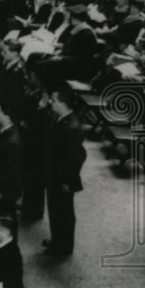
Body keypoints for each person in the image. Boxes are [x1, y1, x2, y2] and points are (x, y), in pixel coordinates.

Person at [43, 88, 86, 256]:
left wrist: (66, 182)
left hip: (62, 180)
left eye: (54, 100)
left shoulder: (72, 128)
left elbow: (75, 159)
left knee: (63, 214)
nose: (51, 103)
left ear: (63, 104)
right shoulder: (60, 119)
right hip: (54, 175)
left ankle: (63, 247)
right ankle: (57, 241)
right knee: (55, 212)